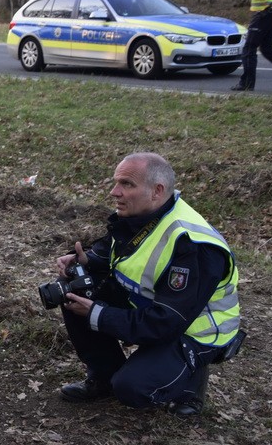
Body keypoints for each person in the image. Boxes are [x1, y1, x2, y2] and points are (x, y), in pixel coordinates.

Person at [55, 153, 243, 417]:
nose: (114, 192)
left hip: (193, 331)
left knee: (132, 388)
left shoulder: (193, 245)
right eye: (115, 182)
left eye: (127, 184)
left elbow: (166, 322)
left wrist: (99, 314)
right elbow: (118, 252)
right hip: (153, 308)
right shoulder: (139, 214)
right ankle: (104, 377)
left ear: (157, 191)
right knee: (73, 287)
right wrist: (88, 260)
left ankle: (191, 380)